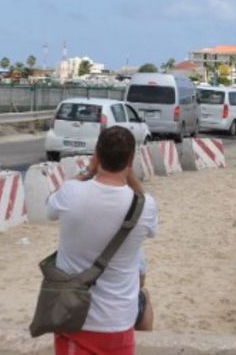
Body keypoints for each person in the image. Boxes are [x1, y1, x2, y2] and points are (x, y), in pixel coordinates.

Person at [46, 126, 158, 355]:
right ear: (130, 159)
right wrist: (131, 176)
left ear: (96, 154)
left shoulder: (71, 193)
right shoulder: (145, 206)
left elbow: (49, 207)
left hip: (72, 317)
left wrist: (87, 172)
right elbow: (145, 207)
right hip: (118, 322)